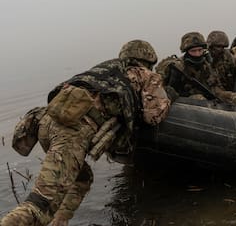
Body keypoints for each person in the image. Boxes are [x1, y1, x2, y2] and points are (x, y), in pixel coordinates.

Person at [1, 40, 171, 226]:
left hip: (45, 123)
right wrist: (168, 98)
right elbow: (153, 116)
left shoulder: (105, 68)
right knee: (40, 205)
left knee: (82, 178)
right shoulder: (146, 74)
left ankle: (60, 221)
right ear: (148, 59)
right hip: (71, 134)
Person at [162, 32, 236, 106]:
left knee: (234, 97)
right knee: (201, 99)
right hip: (184, 100)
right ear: (186, 51)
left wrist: (221, 95)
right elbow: (166, 89)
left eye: (200, 50)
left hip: (207, 94)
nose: (197, 54)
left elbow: (214, 85)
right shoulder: (178, 66)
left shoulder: (206, 64)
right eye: (193, 51)